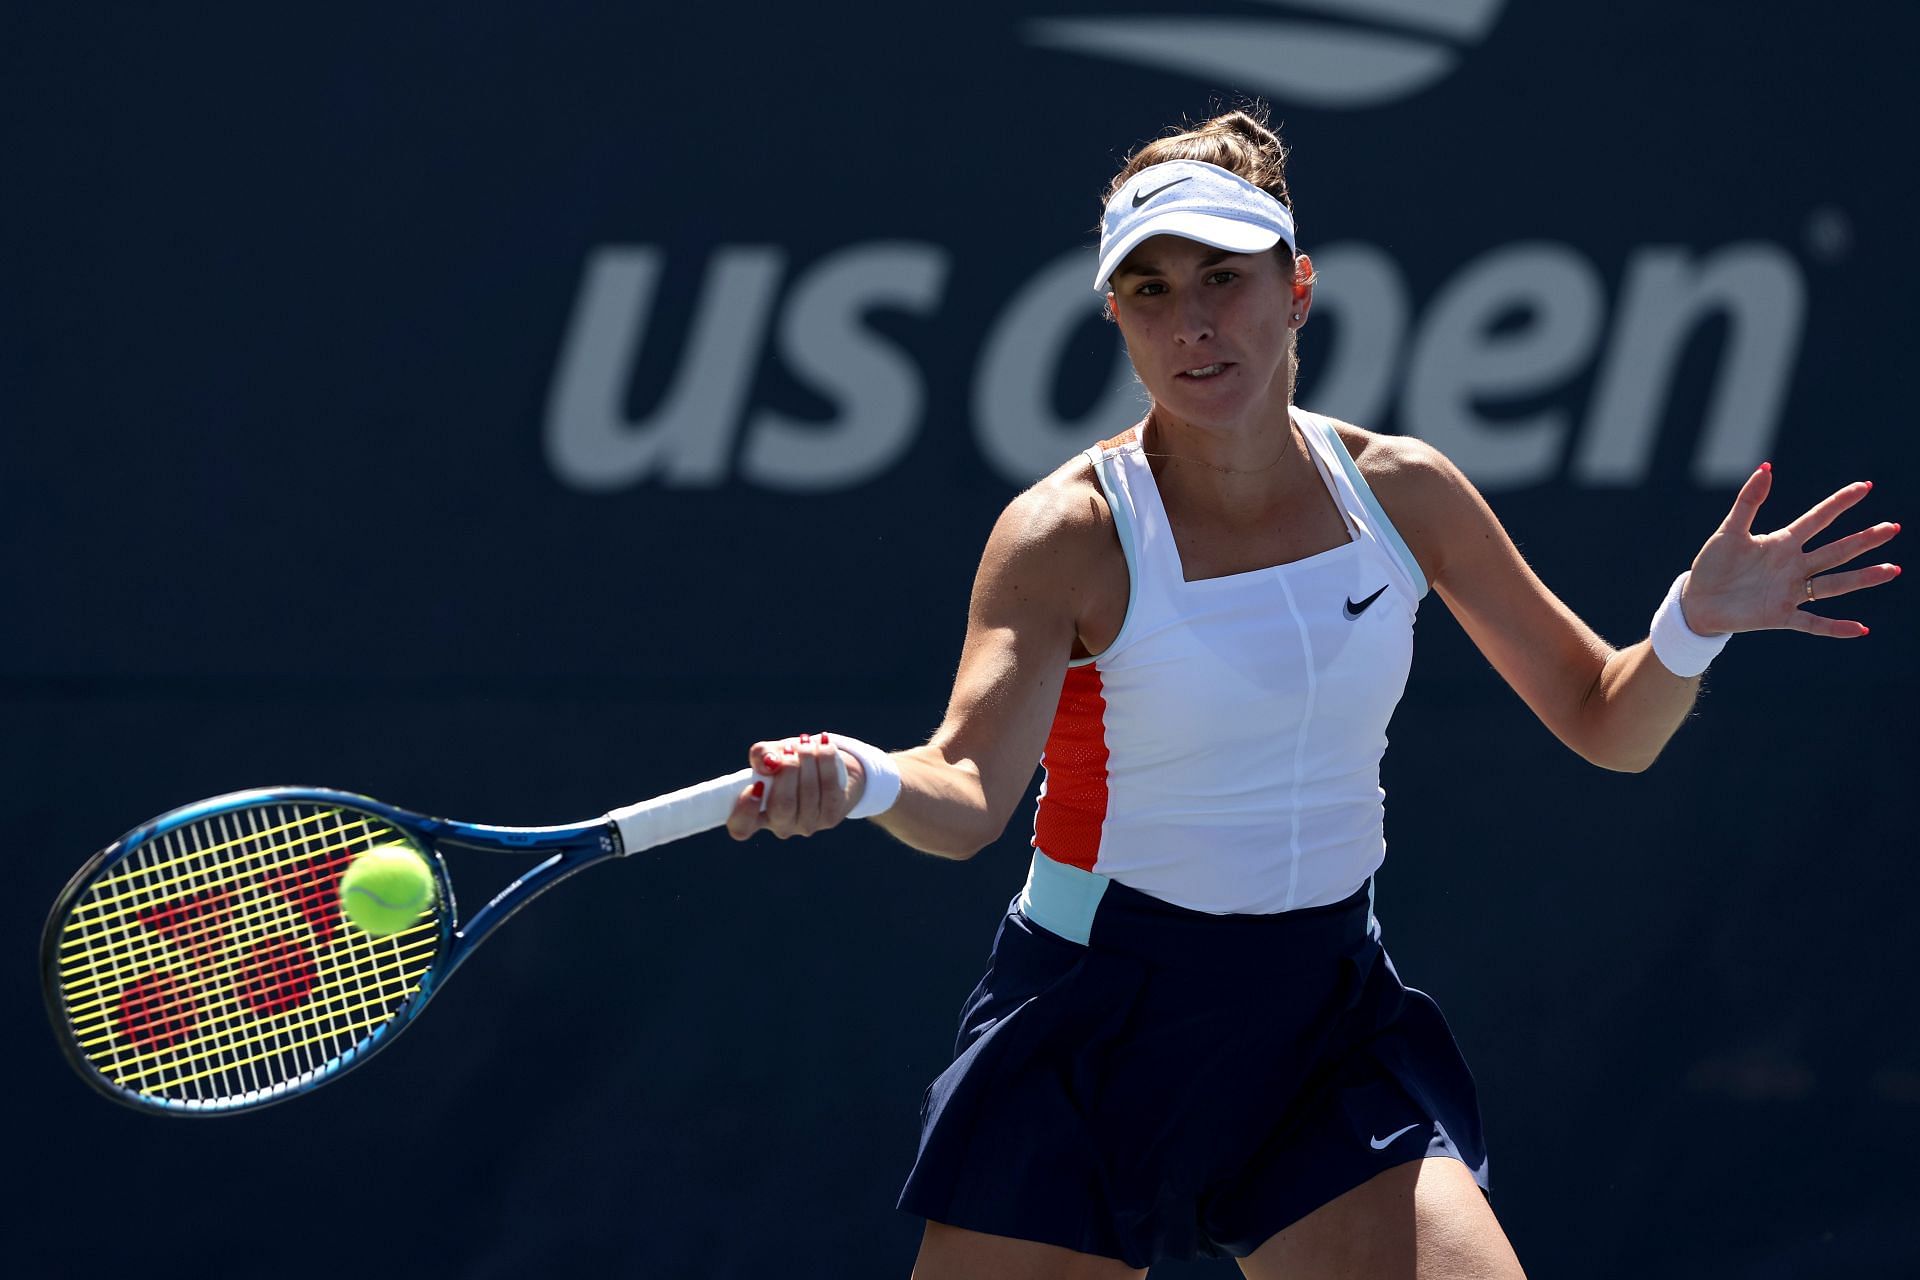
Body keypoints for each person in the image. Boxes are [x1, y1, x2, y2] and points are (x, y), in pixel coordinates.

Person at [724, 107, 1901, 1279]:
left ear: (1295, 290)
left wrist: (1694, 622)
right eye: (1149, 290)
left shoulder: (1405, 494)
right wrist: (868, 775)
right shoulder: (1067, 534)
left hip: (1319, 1026)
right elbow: (969, 789)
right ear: (1116, 319)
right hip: (1090, 1020)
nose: (1192, 323)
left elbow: (1609, 718)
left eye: (1223, 280)